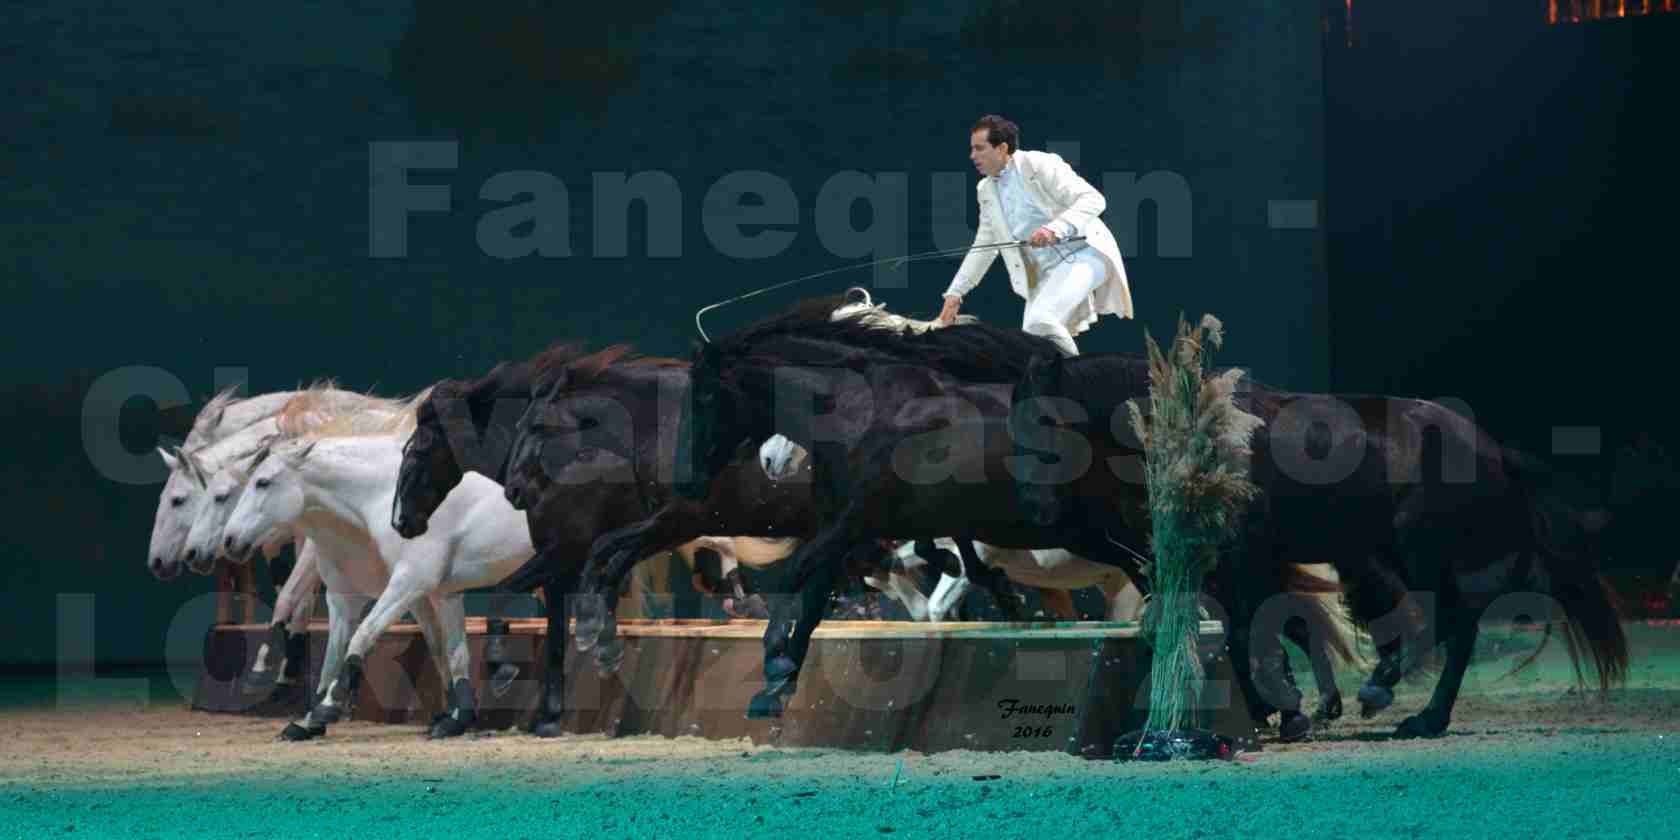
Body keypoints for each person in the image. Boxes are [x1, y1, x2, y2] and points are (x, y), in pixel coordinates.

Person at [936, 115, 1132, 356]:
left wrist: (1054, 229)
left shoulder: (1038, 164)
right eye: (971, 149)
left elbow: (1093, 199)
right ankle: (1062, 387)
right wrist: (956, 292)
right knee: (1030, 340)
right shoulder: (986, 190)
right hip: (1046, 274)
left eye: (979, 148)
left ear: (1002, 148)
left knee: (1040, 320)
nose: (972, 156)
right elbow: (985, 245)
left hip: (1084, 253)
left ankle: (1080, 382)